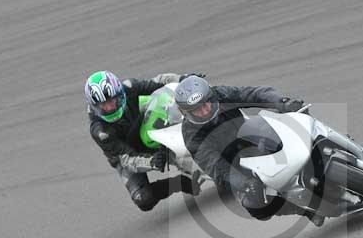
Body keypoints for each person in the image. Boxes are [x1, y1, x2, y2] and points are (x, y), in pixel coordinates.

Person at [175, 75, 323, 225]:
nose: (205, 111)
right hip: (235, 164)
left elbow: (252, 94)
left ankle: (335, 144)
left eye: (206, 103)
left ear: (210, 96)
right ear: (187, 113)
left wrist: (281, 103)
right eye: (197, 110)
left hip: (251, 137)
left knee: (295, 128)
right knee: (255, 205)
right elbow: (214, 165)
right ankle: (306, 211)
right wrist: (243, 183)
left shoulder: (220, 94)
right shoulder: (191, 134)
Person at [85, 70, 201, 211]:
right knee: (143, 199)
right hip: (126, 154)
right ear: (95, 106)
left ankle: (202, 131)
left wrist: (184, 79)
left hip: (143, 126)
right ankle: (179, 183)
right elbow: (126, 159)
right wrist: (152, 161)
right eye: (103, 105)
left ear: (119, 94)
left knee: (163, 101)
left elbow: (158, 81)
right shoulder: (100, 131)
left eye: (111, 101)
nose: (110, 108)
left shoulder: (129, 87)